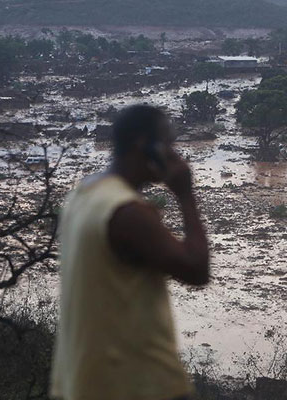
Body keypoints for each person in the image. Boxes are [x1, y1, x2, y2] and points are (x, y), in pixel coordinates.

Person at [50, 104, 209, 400]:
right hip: (139, 381)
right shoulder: (127, 212)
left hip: (84, 381)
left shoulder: (82, 195)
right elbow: (197, 269)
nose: (174, 153)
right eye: (168, 143)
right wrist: (186, 194)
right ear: (144, 144)